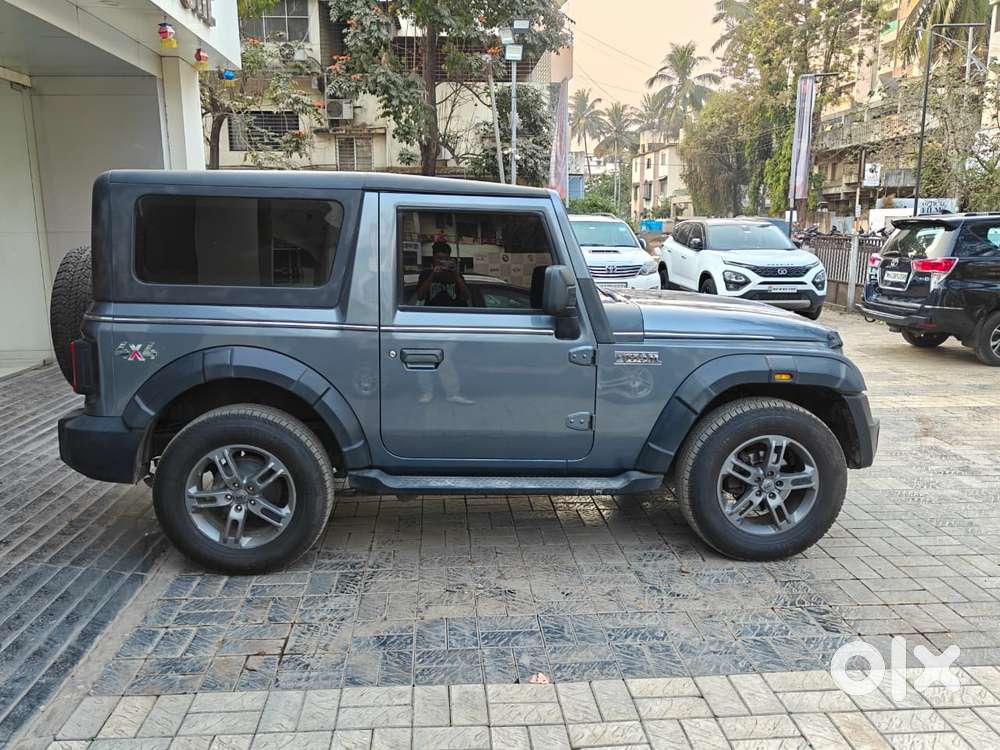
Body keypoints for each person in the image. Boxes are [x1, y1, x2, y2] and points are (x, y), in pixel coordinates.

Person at [411, 239, 471, 307]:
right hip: (432, 312)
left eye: (446, 259)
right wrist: (433, 275)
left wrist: (456, 275)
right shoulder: (426, 274)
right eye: (439, 258)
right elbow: (420, 297)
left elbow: (466, 297)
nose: (442, 261)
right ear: (433, 258)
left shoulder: (455, 275)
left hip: (453, 312)